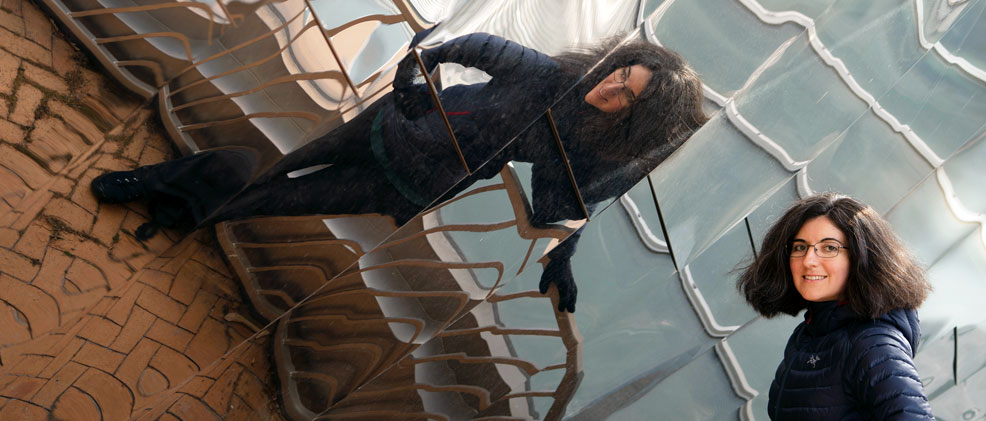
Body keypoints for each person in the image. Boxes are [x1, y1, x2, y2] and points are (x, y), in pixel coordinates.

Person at [91, 31, 707, 312]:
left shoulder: (577, 148)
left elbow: (560, 202)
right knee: (273, 169)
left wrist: (562, 259)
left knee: (269, 202)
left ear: (635, 121)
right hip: (386, 127)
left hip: (406, 186)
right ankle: (167, 181)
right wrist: (414, 79)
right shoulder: (547, 75)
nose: (609, 89)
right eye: (619, 74)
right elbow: (465, 45)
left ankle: (183, 199)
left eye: (626, 96)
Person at [693, 193, 940, 421]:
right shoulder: (812, 335)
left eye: (829, 248)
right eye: (799, 247)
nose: (809, 260)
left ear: (862, 259)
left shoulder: (871, 343)